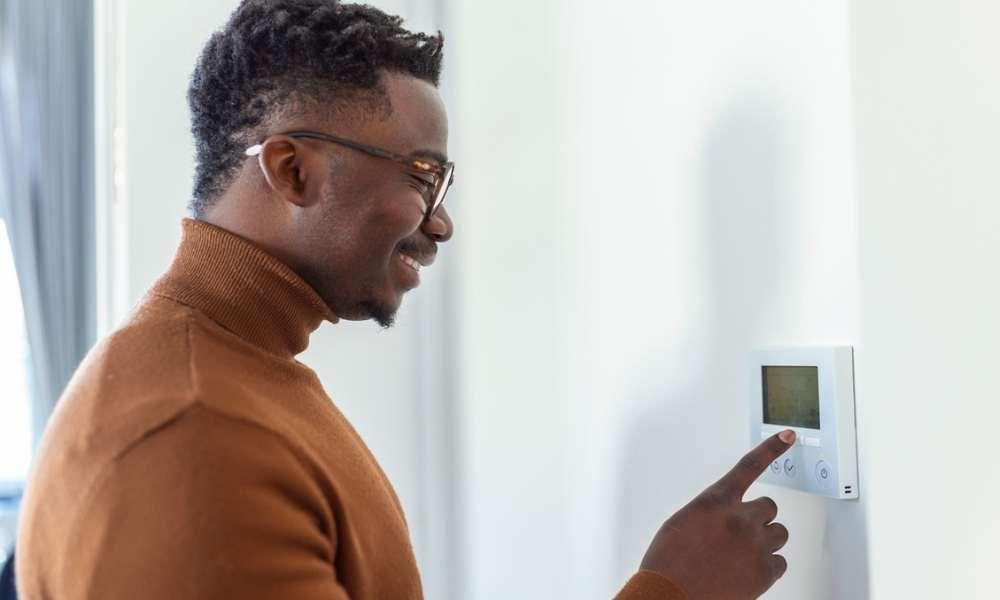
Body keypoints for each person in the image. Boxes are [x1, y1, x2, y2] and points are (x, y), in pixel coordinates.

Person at [15, 1, 793, 598]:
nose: (442, 222)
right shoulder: (193, 436)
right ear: (292, 173)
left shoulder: (231, 374)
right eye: (423, 177)